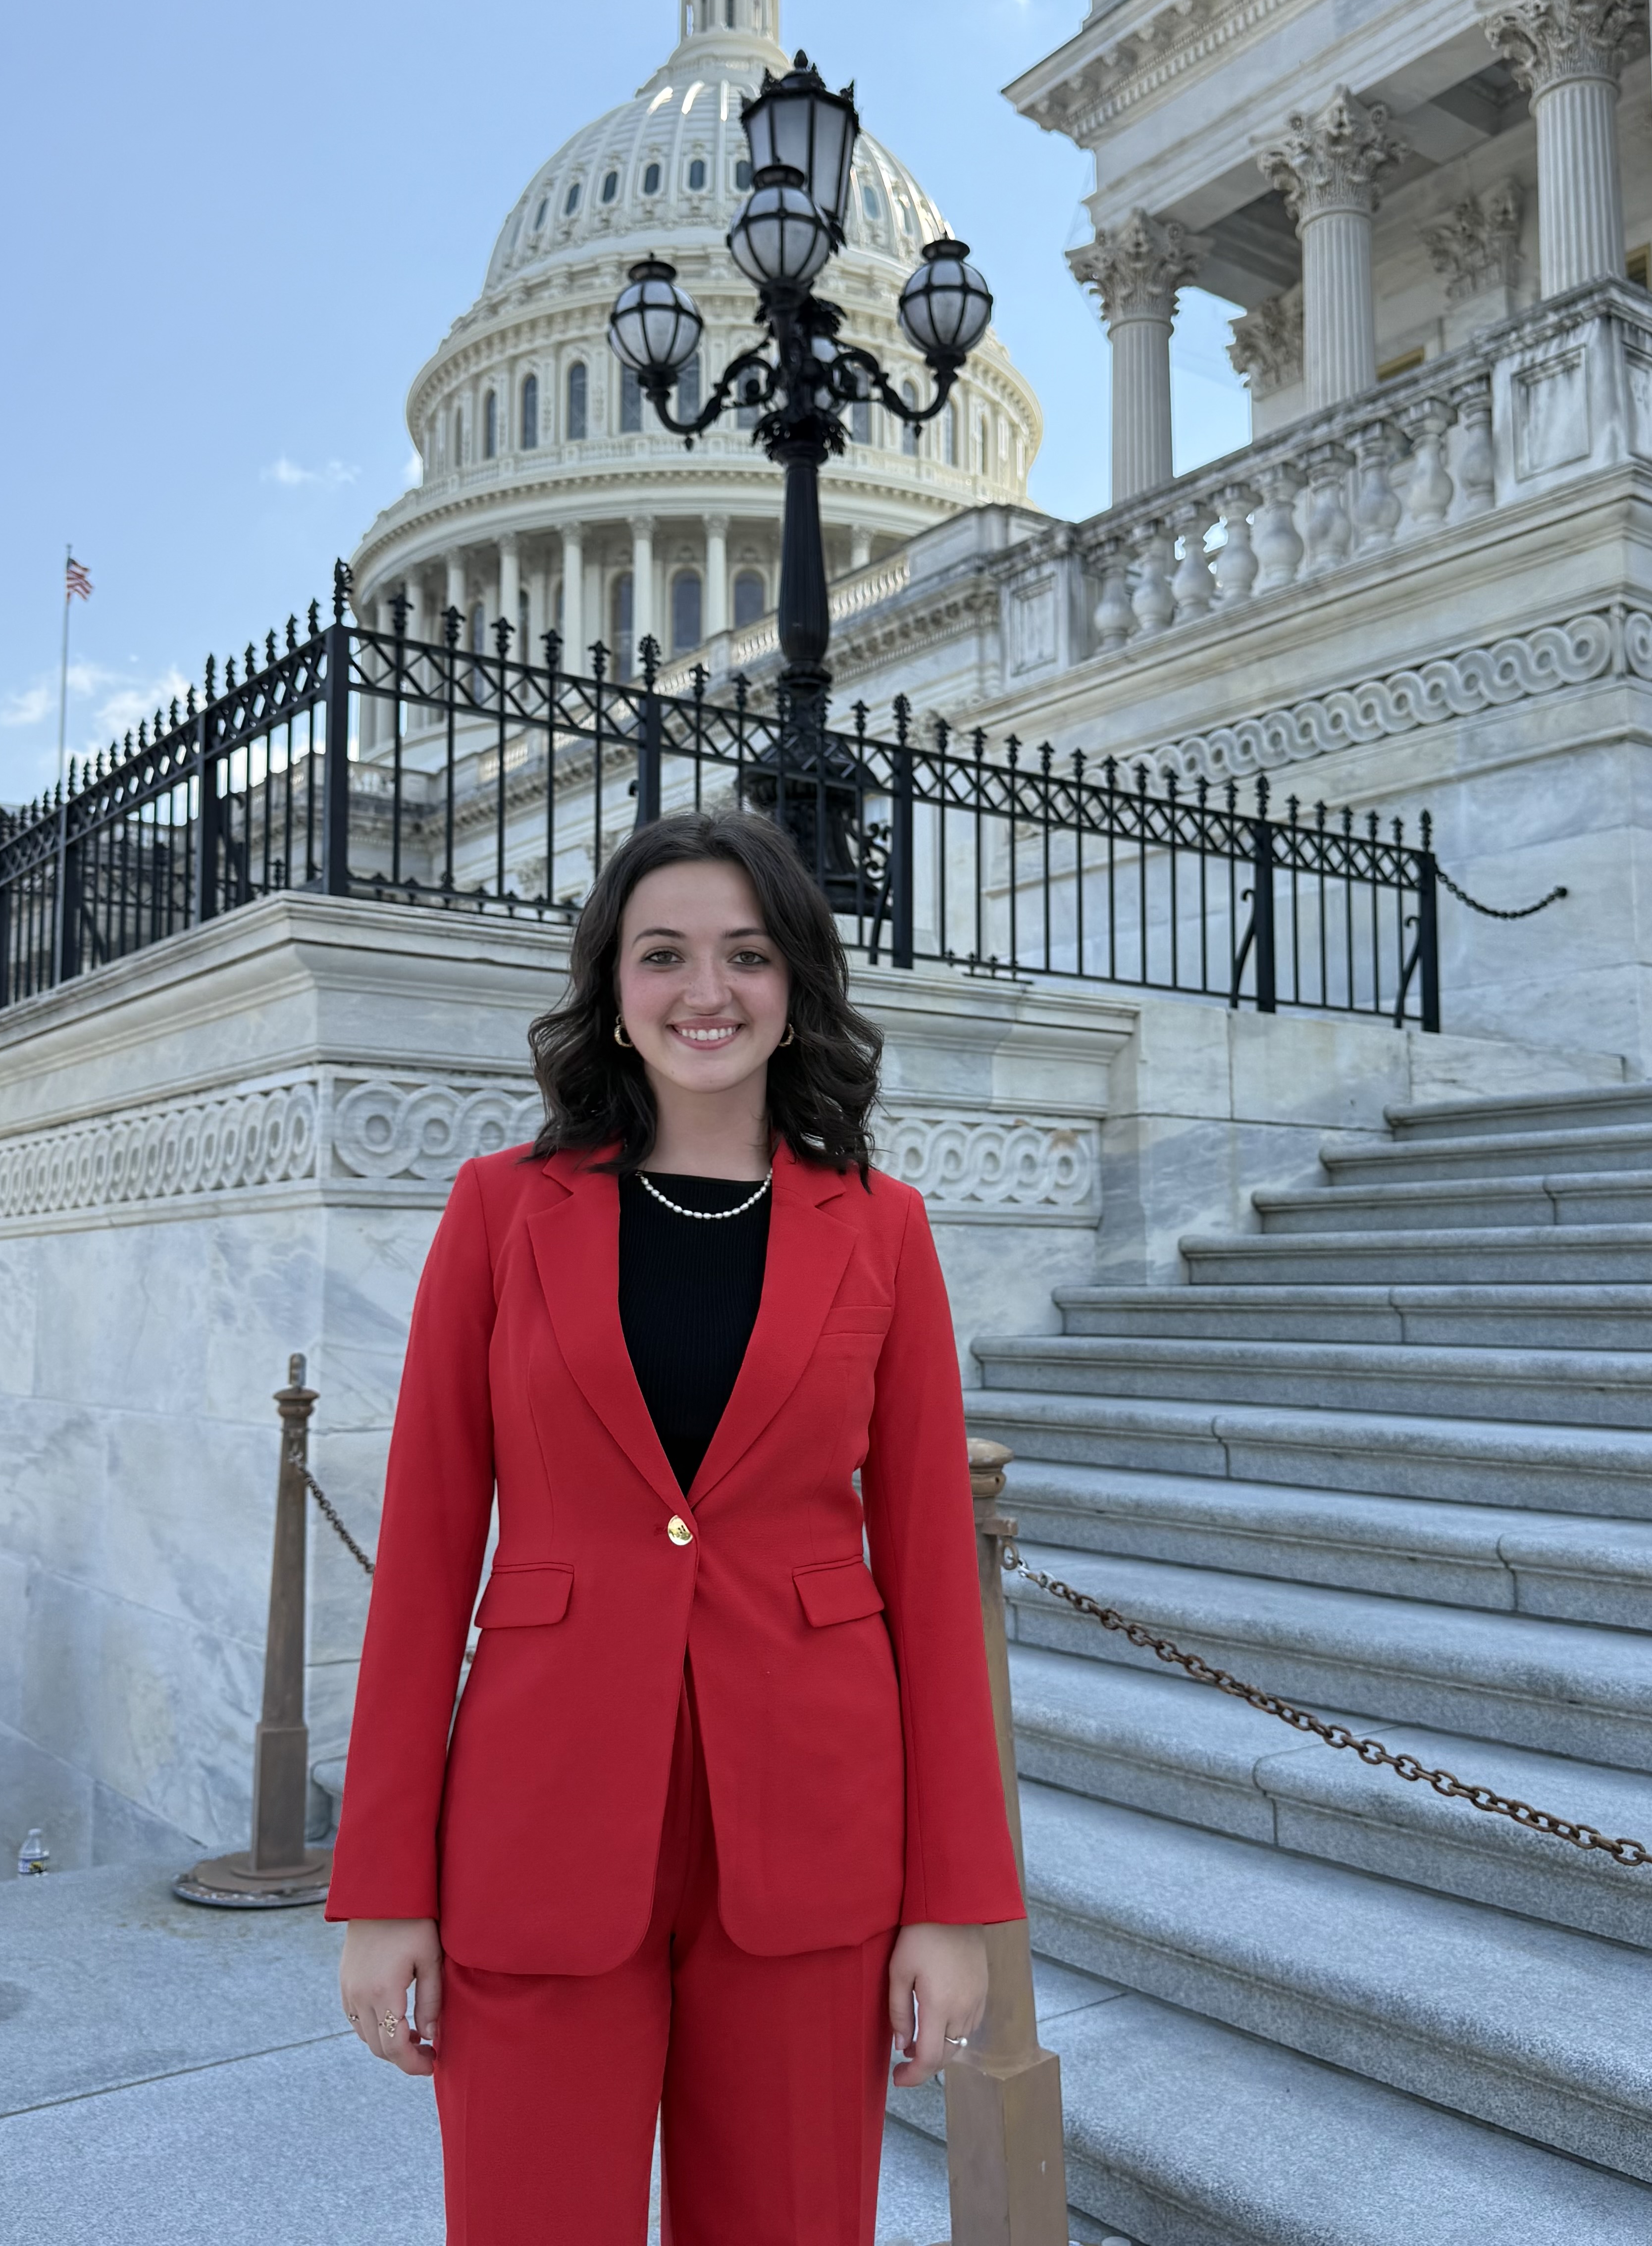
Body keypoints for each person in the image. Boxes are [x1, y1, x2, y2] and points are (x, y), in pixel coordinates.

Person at [326, 807, 1024, 2245]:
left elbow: (934, 1581)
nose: (705, 992)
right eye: (664, 955)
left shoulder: (879, 1228)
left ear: (797, 986)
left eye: (746, 955)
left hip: (811, 1829)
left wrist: (952, 1906)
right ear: (613, 987)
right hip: (538, 1825)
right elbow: (426, 1552)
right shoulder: (500, 1211)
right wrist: (383, 1889)